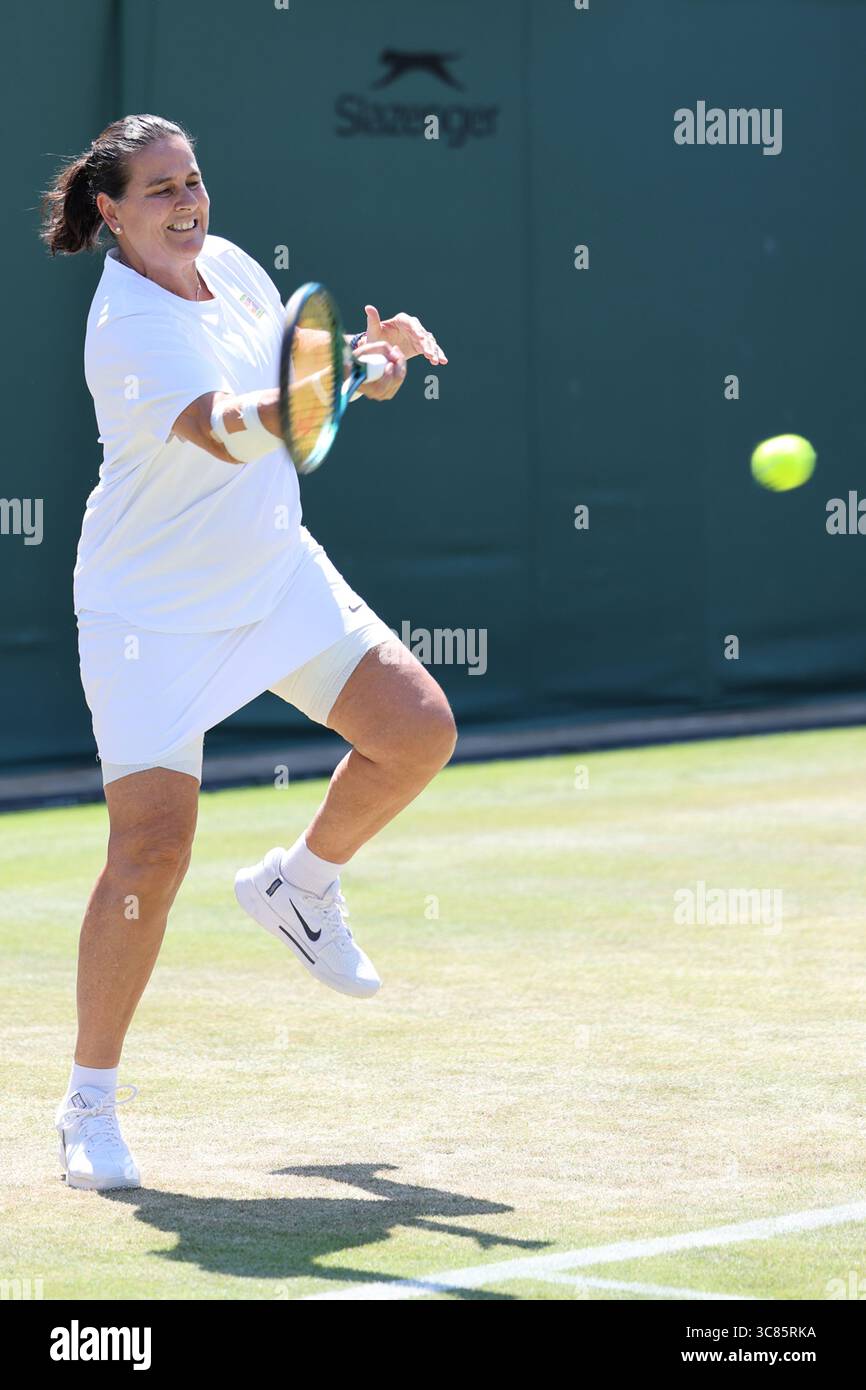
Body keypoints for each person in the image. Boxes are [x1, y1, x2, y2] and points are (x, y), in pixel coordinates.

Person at [39, 114, 456, 1191]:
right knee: (151, 853)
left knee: (416, 731)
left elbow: (299, 409)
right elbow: (230, 425)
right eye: (160, 191)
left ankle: (299, 887)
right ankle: (88, 1103)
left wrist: (367, 364)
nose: (188, 204)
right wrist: (346, 381)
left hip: (271, 571)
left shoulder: (228, 269)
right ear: (110, 212)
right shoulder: (125, 326)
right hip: (150, 614)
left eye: (194, 180)